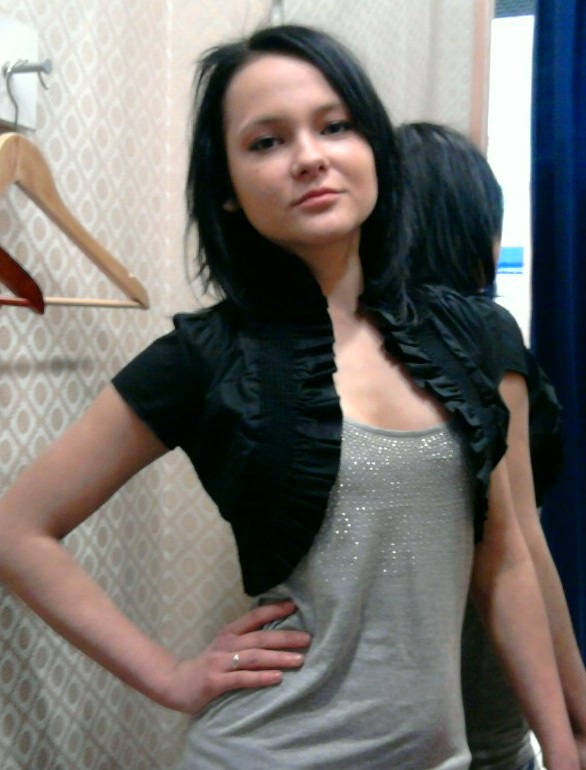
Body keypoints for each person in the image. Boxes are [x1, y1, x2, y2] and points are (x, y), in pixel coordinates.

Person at [0, 25, 579, 770]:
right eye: (266, 141)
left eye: (335, 126)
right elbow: (17, 531)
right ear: (228, 189)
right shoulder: (208, 357)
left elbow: (504, 565)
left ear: (374, 148)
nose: (309, 156)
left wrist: (562, 748)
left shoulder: (464, 337)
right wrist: (171, 677)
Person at [396, 120, 586, 770]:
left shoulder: (357, 334)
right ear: (469, 225)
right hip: (478, 639)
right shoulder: (481, 329)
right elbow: (519, 539)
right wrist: (579, 710)